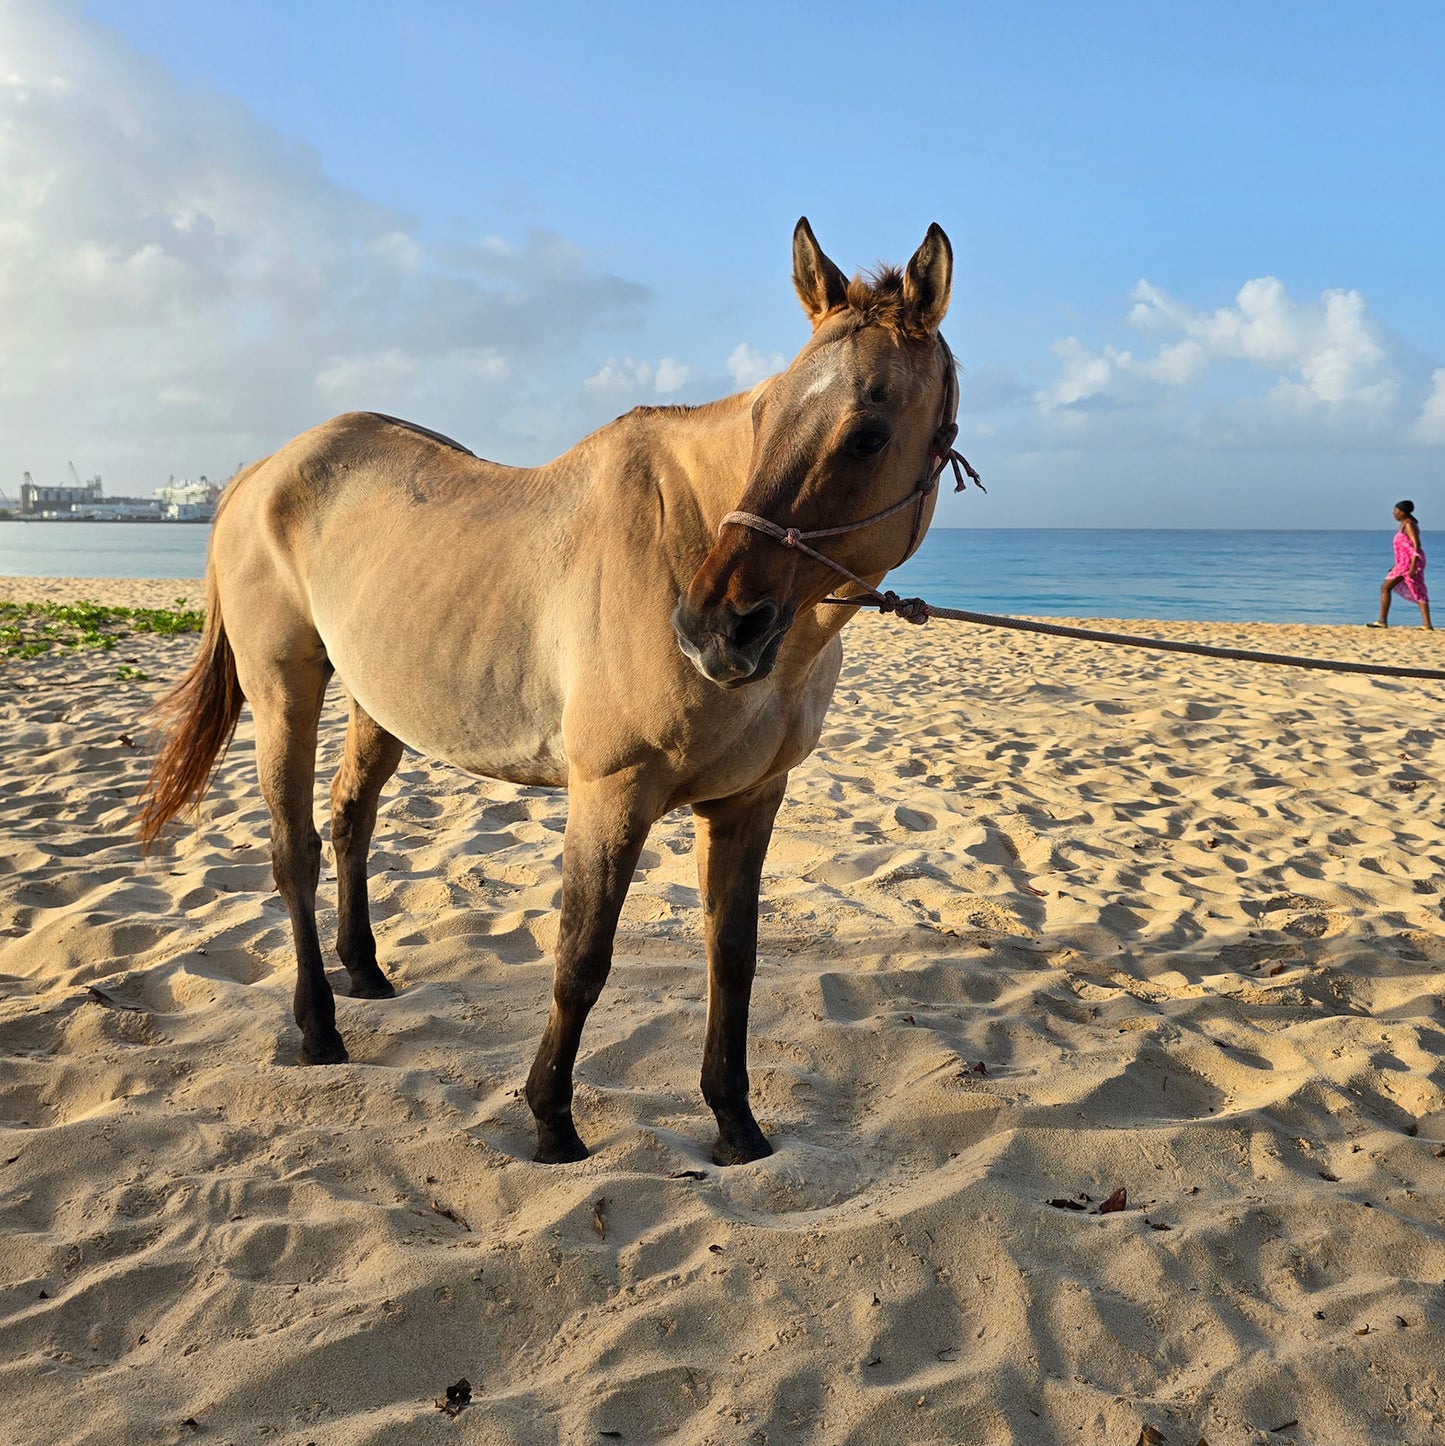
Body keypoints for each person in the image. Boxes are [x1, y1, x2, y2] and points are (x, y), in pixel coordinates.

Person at [1370, 500, 1433, 629]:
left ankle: (1427, 625)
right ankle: (1382, 621)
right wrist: (1396, 564)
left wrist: (1413, 566)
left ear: (1402, 512)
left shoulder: (1409, 525)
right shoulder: (1404, 524)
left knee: (1415, 590)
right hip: (1403, 563)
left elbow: (1416, 545)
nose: (1394, 513)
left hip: (1411, 563)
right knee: (1386, 588)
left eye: (1395, 511)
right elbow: (1403, 548)